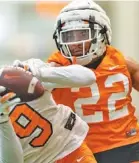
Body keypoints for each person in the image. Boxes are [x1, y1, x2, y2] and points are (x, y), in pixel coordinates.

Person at [0, 48, 97, 163]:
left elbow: (87, 77)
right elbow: (13, 161)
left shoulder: (19, 72)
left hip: (72, 150)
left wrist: (38, 73)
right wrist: (2, 117)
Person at [44, 0, 139, 162]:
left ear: (102, 33)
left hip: (124, 142)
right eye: (68, 36)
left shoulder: (123, 63)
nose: (75, 43)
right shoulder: (55, 67)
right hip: (76, 147)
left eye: (82, 34)